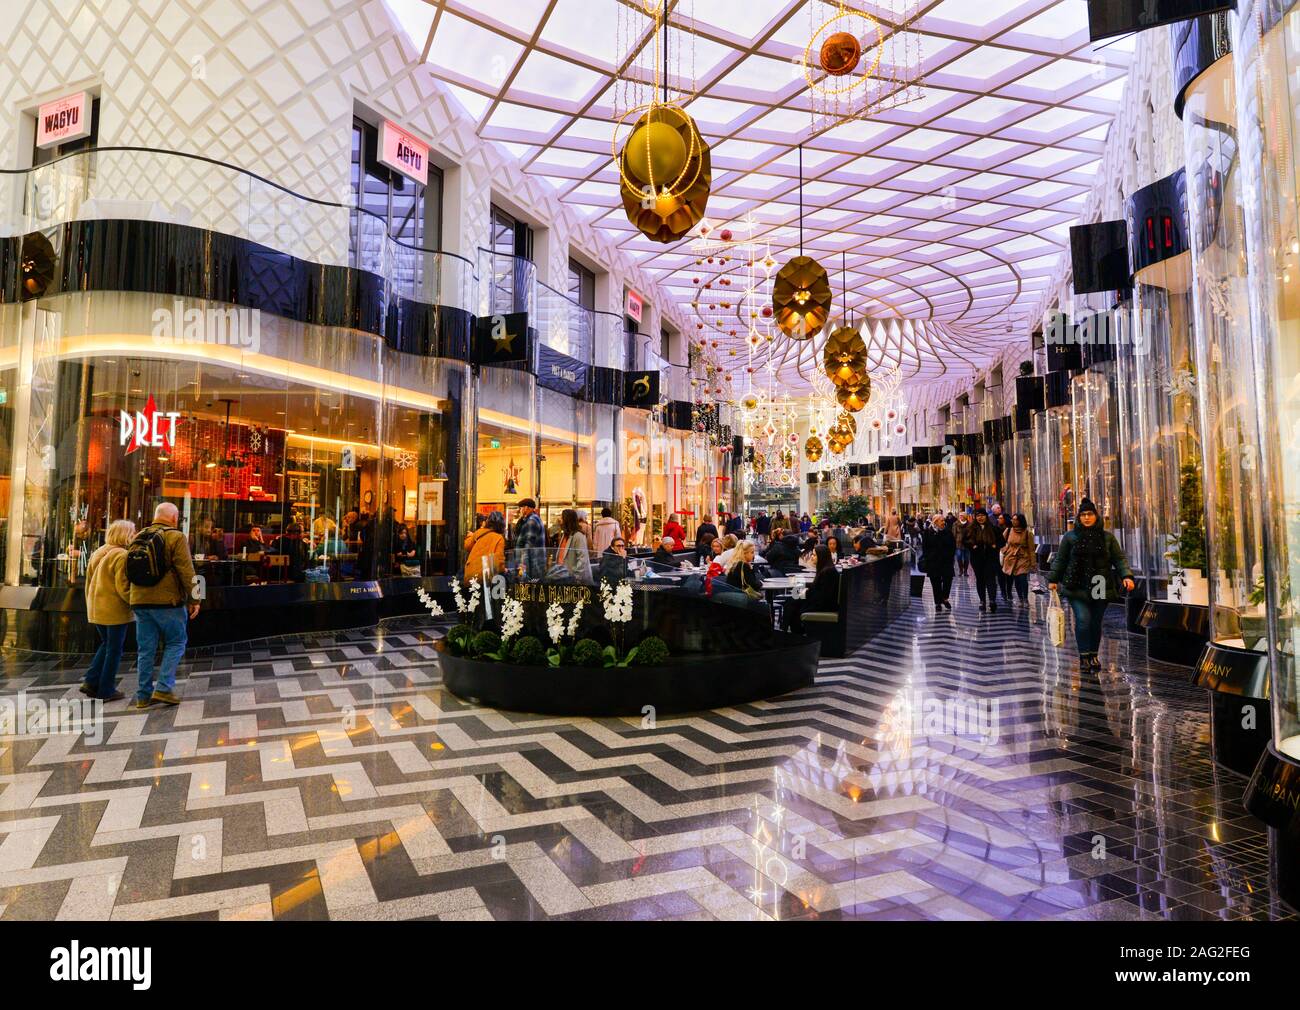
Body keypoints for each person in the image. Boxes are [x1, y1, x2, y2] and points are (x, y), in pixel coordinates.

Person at [1049, 499, 1135, 671]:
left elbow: (1118, 558)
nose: (1086, 518)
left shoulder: (1107, 538)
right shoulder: (1070, 537)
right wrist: (1053, 579)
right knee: (1083, 619)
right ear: (1079, 518)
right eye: (1083, 515)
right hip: (1076, 584)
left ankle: (1093, 655)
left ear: (1096, 516)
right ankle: (1083, 657)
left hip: (1099, 583)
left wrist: (1126, 576)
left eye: (1090, 514)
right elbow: (1061, 559)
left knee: (1095, 622)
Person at [128, 503, 199, 708]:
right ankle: (163, 689)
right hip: (167, 602)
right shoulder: (176, 537)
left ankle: (142, 696)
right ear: (175, 518)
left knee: (145, 650)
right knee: (176, 643)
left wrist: (131, 597)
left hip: (139, 600)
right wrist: (196, 599)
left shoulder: (138, 536)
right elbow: (187, 570)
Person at [80, 519, 136, 702]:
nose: (134, 535)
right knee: (114, 649)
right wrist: (135, 603)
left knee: (106, 645)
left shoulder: (99, 552)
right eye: (132, 532)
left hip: (96, 608)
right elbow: (123, 587)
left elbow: (88, 582)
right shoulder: (121, 555)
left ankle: (91, 681)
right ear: (125, 534)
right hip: (114, 611)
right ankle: (106, 689)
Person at [782, 546, 840, 632]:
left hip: (823, 605)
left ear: (821, 556)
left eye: (814, 555)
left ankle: (789, 632)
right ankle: (791, 631)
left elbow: (823, 595)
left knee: (791, 603)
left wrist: (805, 593)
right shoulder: (826, 570)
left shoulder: (828, 572)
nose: (811, 557)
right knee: (791, 600)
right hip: (820, 601)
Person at [967, 508, 1005, 613]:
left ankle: (992, 600)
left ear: (986, 516)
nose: (980, 517)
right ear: (975, 517)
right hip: (977, 558)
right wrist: (972, 546)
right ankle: (982, 601)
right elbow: (965, 540)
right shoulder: (971, 528)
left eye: (982, 515)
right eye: (978, 515)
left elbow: (1002, 541)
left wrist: (995, 546)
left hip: (991, 558)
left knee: (991, 579)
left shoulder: (993, 528)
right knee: (980, 580)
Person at [920, 512, 956, 613]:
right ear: (935, 522)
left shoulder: (947, 532)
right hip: (933, 562)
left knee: (948, 580)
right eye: (942, 521)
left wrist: (950, 556)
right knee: (935, 583)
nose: (944, 522)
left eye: (944, 520)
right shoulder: (928, 532)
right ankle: (938, 603)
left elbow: (953, 545)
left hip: (946, 561)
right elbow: (925, 547)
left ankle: (944, 598)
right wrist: (928, 557)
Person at [1001, 513, 1036, 607]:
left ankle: (1025, 599)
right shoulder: (1008, 530)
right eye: (1013, 519)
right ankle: (1020, 598)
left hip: (1023, 558)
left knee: (1022, 578)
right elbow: (1000, 541)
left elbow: (1031, 549)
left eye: (1016, 519)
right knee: (1016, 579)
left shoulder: (1027, 533)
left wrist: (1033, 563)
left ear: (1020, 521)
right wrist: (1004, 550)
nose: (1013, 521)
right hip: (1011, 558)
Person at [463, 510, 506, 582]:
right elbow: (499, 561)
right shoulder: (499, 538)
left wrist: (470, 536)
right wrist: (503, 569)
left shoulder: (479, 532)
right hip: (485, 576)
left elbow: (467, 546)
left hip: (470, 574)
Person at [556, 508, 592, 583]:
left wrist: (576, 577)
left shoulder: (578, 536)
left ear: (567, 520)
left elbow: (582, 559)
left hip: (574, 580)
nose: (560, 521)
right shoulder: (565, 535)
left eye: (562, 518)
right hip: (563, 576)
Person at [513, 498, 547, 580]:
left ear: (527, 508)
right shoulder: (531, 519)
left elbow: (528, 546)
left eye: (521, 508)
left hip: (532, 565)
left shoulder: (531, 521)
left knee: (530, 589)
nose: (520, 510)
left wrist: (523, 566)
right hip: (534, 563)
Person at [953, 511, 972, 577]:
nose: (960, 516)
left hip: (967, 543)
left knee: (967, 558)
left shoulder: (969, 524)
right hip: (959, 544)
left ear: (965, 516)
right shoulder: (956, 524)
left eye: (962, 515)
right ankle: (961, 570)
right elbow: (954, 534)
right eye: (960, 515)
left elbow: (971, 534)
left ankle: (965, 571)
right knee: (959, 557)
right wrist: (954, 542)